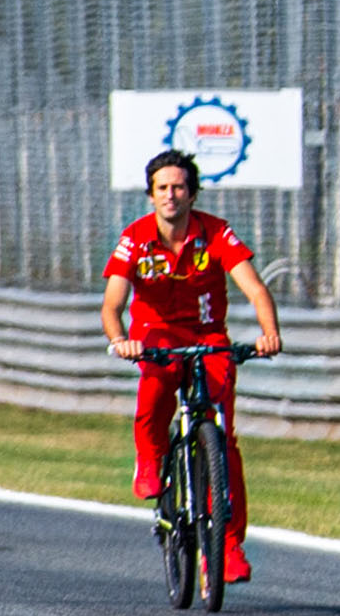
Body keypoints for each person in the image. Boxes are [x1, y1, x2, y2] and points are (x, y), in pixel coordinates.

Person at [99, 149, 282, 586]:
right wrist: (120, 340)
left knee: (223, 435)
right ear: (151, 195)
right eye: (162, 188)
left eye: (179, 187)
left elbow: (255, 289)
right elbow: (112, 304)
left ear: (192, 194)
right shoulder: (135, 238)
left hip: (207, 337)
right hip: (156, 337)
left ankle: (228, 546)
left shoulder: (215, 232)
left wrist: (269, 333)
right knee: (157, 386)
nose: (171, 195)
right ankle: (150, 456)